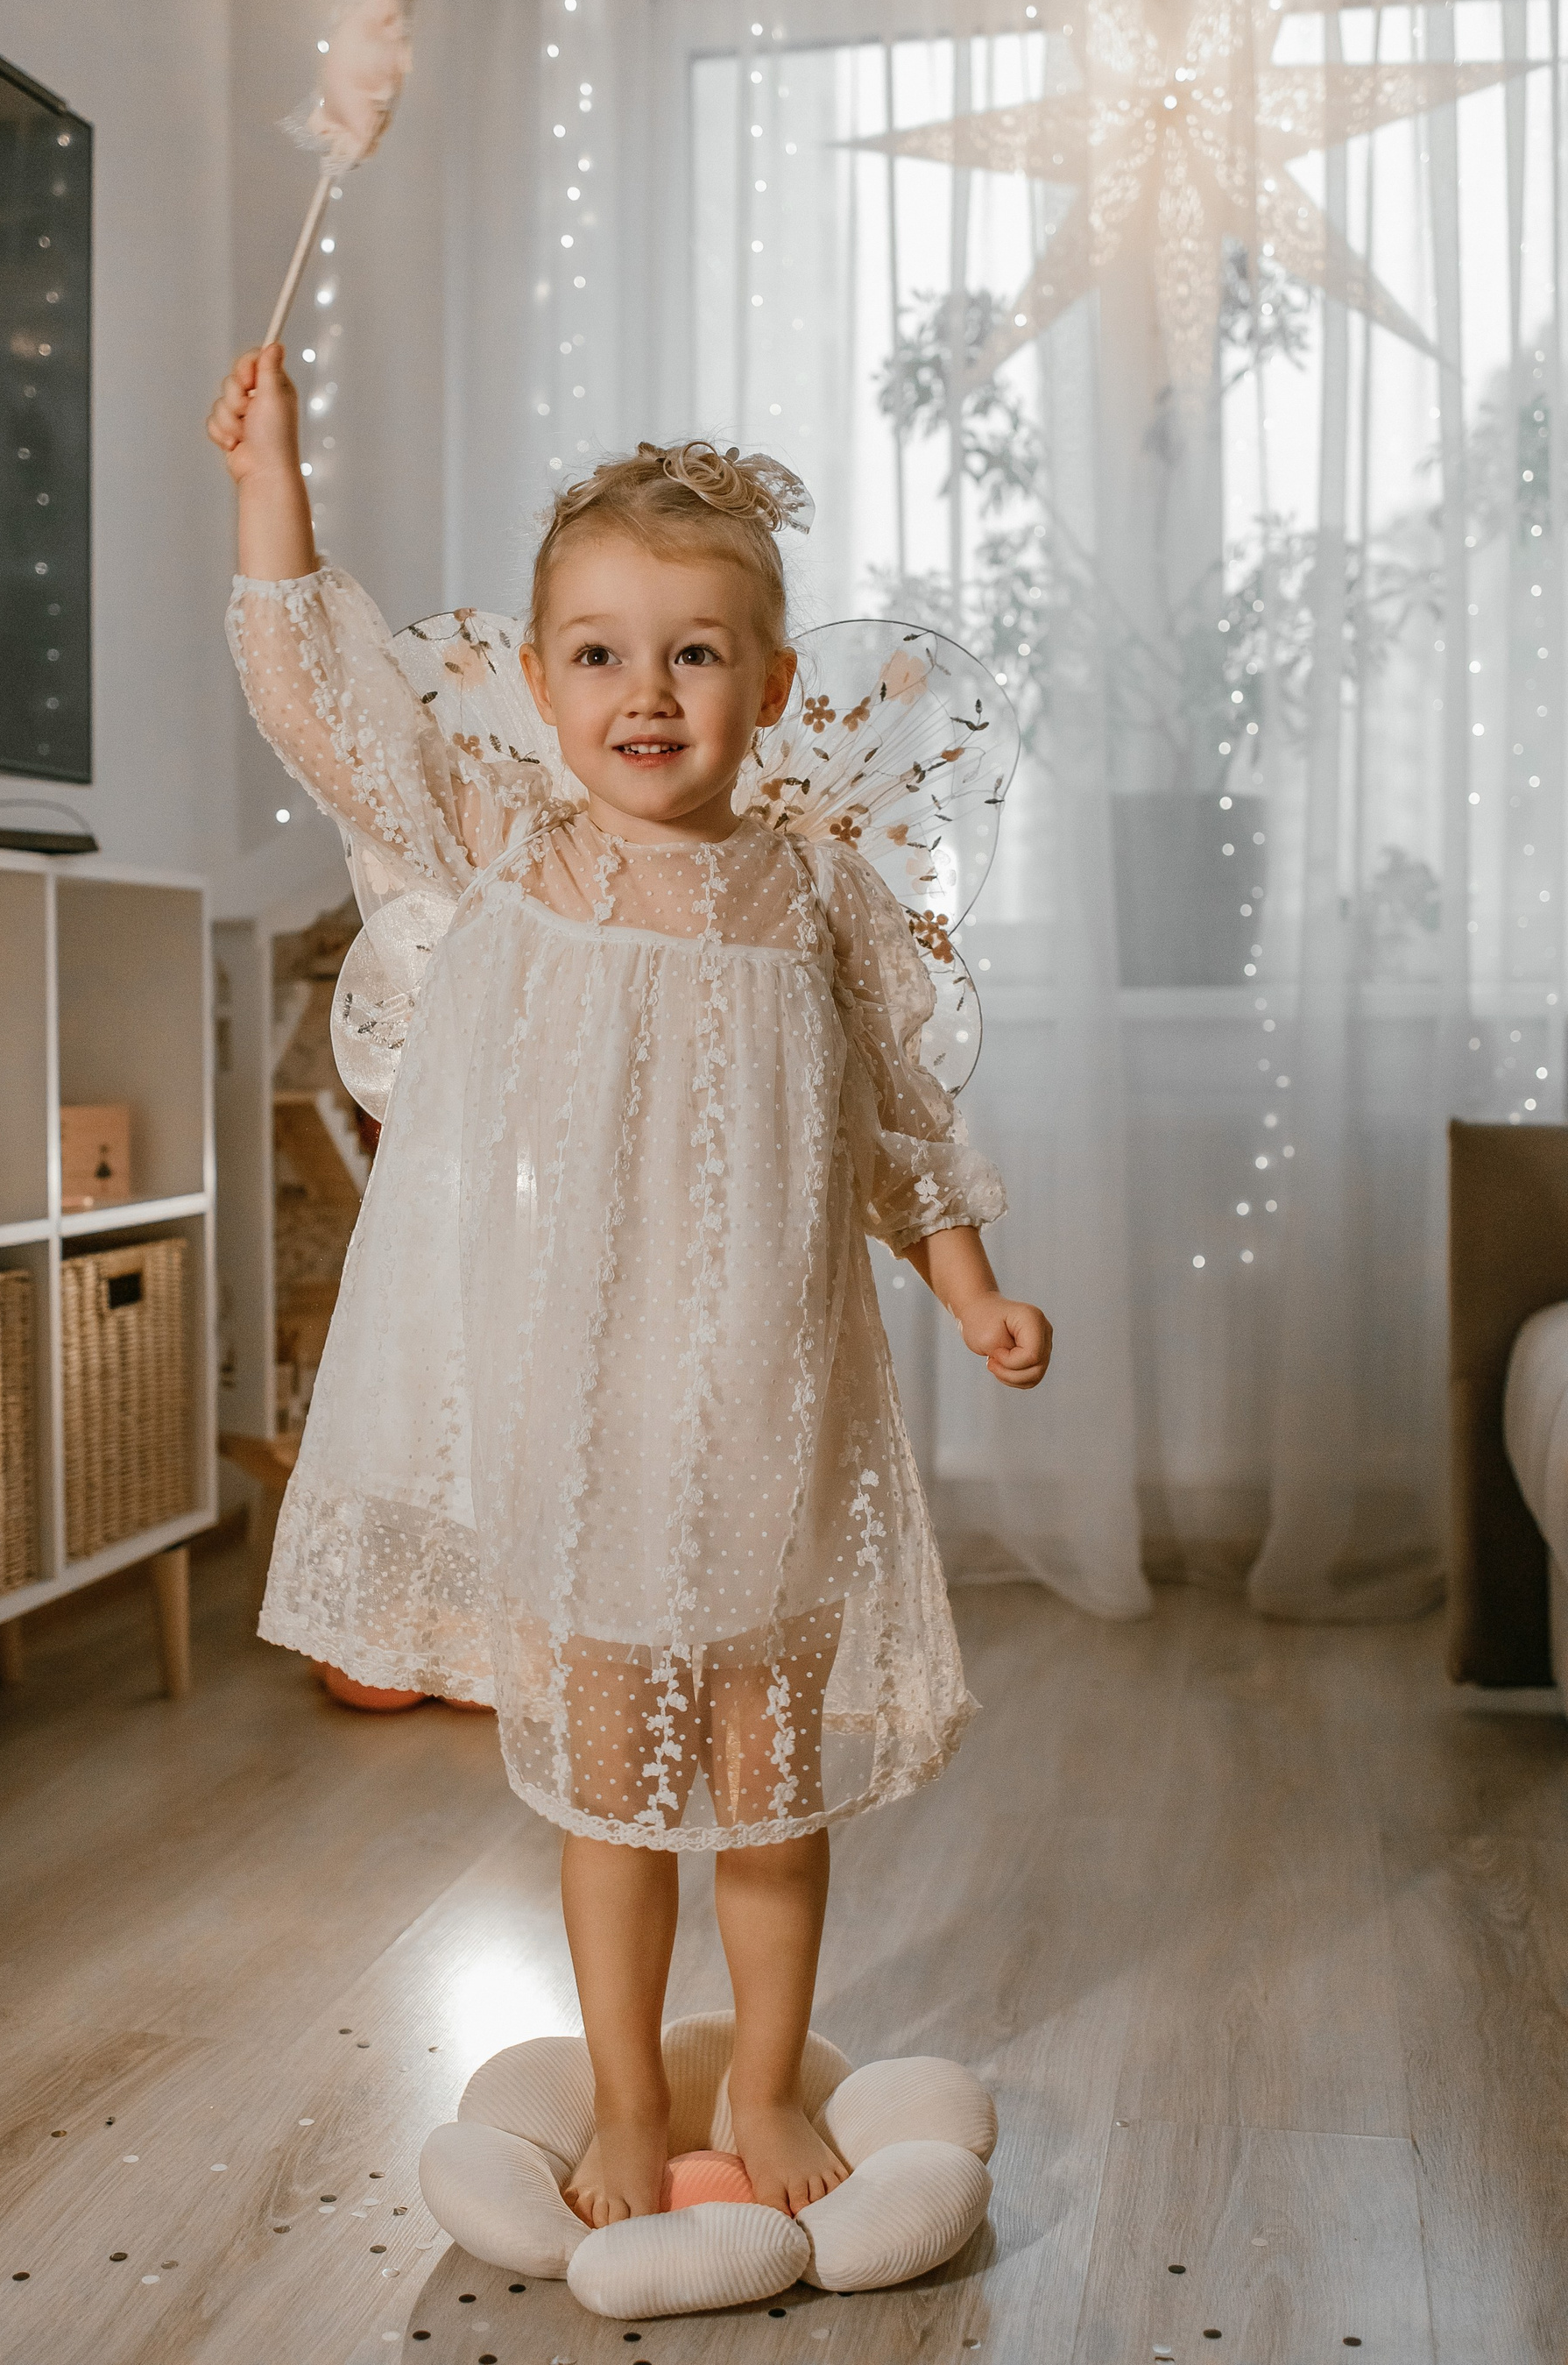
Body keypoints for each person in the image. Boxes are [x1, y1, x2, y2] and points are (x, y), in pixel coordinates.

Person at [206, 343, 1053, 2232]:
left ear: (773, 685)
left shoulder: (818, 898)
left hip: (767, 1411)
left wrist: (973, 1289)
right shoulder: (509, 848)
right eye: (597, 653)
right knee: (610, 1791)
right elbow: (323, 704)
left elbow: (899, 1127)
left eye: (694, 653)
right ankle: (618, 2096)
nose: (645, 692)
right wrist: (273, 488)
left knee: (768, 1785)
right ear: (536, 682)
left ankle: (760, 2080)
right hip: (579, 1417)